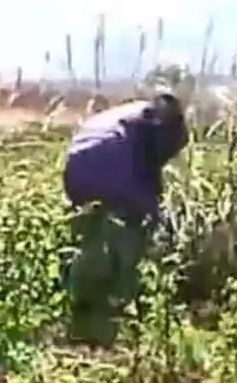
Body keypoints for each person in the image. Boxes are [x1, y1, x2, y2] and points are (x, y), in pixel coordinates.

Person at [61, 91, 189, 345]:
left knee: (88, 232)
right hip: (110, 161)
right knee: (131, 234)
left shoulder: (139, 112)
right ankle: (119, 303)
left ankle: (76, 296)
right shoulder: (156, 132)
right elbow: (147, 186)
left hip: (75, 163)